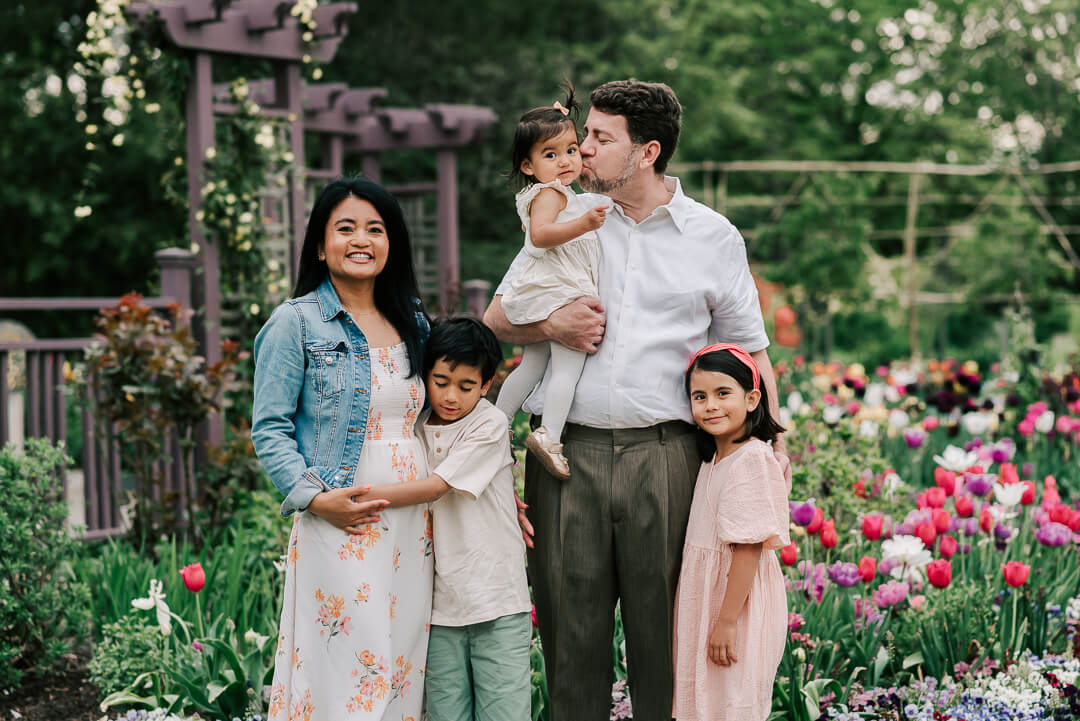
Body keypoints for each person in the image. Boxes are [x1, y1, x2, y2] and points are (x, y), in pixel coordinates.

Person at [484, 80, 787, 721]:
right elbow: (497, 317)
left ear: (646, 151)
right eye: (584, 135)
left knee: (668, 649)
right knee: (571, 644)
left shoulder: (714, 237)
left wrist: (770, 457)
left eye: (599, 137)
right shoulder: (568, 218)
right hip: (566, 456)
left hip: (670, 458)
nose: (582, 150)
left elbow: (749, 354)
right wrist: (551, 328)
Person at [251, 177, 432, 721]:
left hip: (413, 519)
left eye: (375, 229)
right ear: (319, 244)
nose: (362, 240)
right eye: (345, 228)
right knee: (350, 664)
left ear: (391, 243)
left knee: (402, 662)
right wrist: (312, 498)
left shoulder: (414, 321)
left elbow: (437, 418)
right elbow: (269, 428)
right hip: (341, 515)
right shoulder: (296, 322)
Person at [362, 317, 532, 721]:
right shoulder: (414, 425)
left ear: (487, 385)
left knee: (503, 713)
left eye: (466, 386)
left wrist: (358, 499)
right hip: (437, 607)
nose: (451, 396)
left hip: (496, 601)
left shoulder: (488, 423)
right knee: (444, 713)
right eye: (440, 382)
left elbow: (436, 486)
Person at [494, 88, 609, 481]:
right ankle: (549, 435)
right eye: (551, 155)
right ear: (528, 166)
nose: (565, 162)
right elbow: (539, 237)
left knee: (533, 364)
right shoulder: (549, 194)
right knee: (567, 367)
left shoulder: (559, 193)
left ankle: (495, 424)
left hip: (549, 290)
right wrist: (584, 224)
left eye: (571, 150)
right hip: (560, 292)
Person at [674, 344, 790, 721]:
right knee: (708, 702)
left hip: (735, 605)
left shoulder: (751, 458)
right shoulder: (714, 458)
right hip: (710, 600)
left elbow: (748, 549)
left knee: (732, 702)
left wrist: (725, 623)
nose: (711, 406)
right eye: (700, 396)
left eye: (723, 394)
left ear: (753, 398)